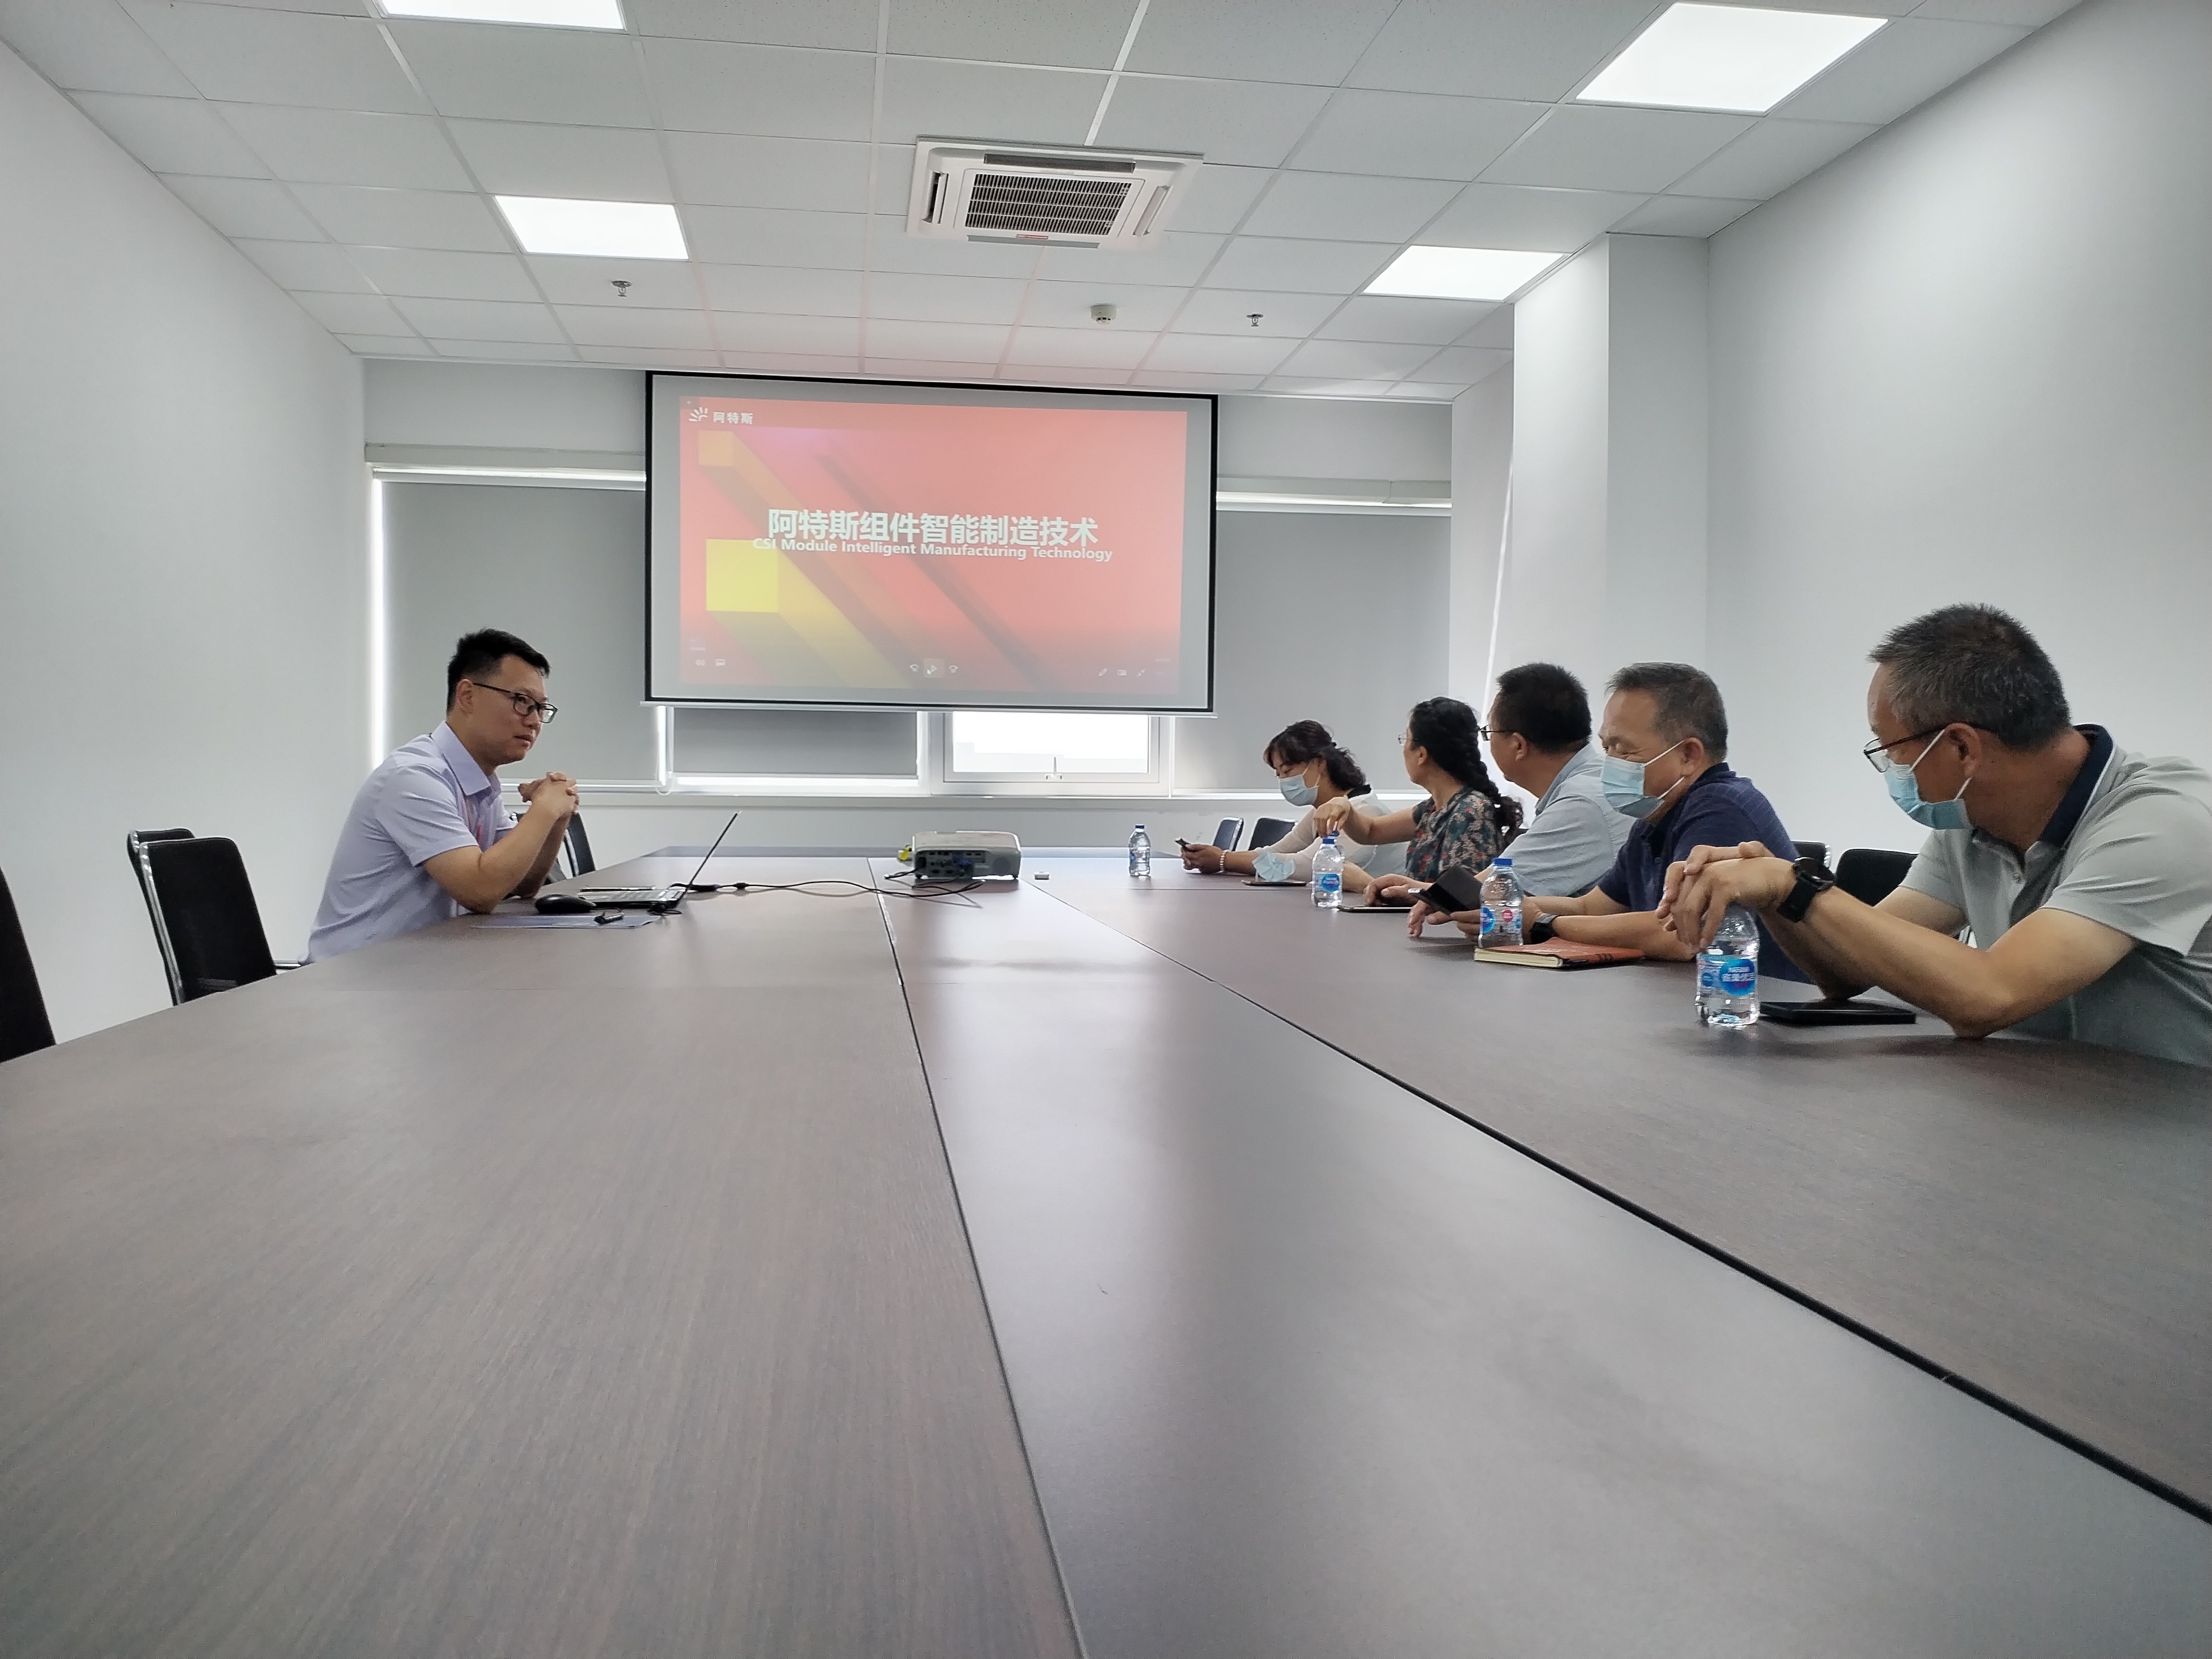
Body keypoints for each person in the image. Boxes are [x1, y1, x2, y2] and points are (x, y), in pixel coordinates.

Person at [1662, 606, 2212, 1065]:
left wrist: (1796, 885)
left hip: (2170, 1128)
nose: (1888, 768)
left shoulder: (2163, 821)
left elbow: (1990, 996)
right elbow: (1847, 971)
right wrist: (1773, 895)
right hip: (2048, 1102)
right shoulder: (1972, 823)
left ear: (1962, 747)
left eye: (1888, 748)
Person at [1519, 662, 1809, 978]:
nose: (1609, 764)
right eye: (1606, 748)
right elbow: (1591, 908)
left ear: (1688, 755)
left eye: (1624, 750)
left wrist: (1547, 924)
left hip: (1752, 1001)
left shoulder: (1722, 807)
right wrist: (1511, 908)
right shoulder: (1654, 817)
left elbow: (1681, 936)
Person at [308, 629, 579, 962]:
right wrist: (544, 810)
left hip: (423, 967)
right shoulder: (413, 777)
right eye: (522, 702)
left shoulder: (479, 780)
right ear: (467, 695)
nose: (535, 721)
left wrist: (557, 818)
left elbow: (522, 885)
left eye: (540, 708)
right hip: (354, 976)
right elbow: (481, 891)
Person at [1397, 662, 1629, 933]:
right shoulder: (1589, 784)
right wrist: (1425, 891)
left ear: (1518, 745)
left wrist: (1431, 894)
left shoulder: (1581, 803)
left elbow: (1490, 891)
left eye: (1489, 733)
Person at [1312, 697, 1522, 902]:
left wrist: (1366, 884)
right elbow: (1370, 831)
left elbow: (1463, 897)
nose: (1403, 749)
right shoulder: (1434, 808)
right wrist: (1344, 804)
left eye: (1406, 739)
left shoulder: (1471, 810)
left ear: (1421, 755)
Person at [1179, 721, 1405, 891]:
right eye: (1279, 774)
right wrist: (1218, 858)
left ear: (1320, 763)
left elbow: (1305, 867)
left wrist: (1223, 860)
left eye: (1287, 771)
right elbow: (1276, 852)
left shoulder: (1363, 810)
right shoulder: (1322, 811)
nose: (1284, 781)